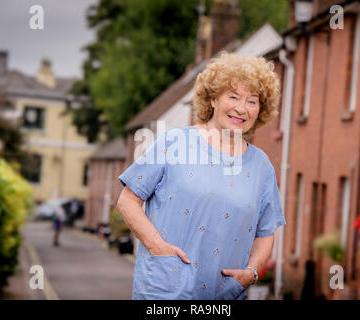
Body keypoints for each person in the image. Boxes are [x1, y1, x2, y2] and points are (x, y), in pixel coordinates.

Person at [116, 51, 286, 299]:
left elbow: (266, 230)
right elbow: (127, 201)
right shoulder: (175, 142)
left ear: (261, 109)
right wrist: (157, 247)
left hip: (225, 295)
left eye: (252, 101)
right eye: (233, 96)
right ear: (213, 99)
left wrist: (251, 272)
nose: (241, 108)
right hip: (165, 291)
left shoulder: (262, 166)